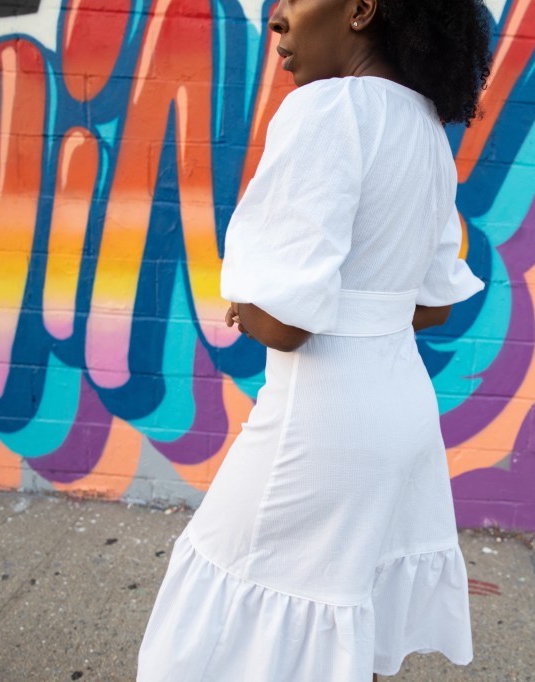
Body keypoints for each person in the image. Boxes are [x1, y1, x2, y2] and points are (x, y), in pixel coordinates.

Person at [137, 0, 492, 679]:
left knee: (215, 626)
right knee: (336, 617)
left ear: (360, 10)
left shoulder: (327, 110)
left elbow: (285, 325)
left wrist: (245, 303)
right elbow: (433, 307)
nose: (278, 18)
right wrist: (360, 306)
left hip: (321, 424)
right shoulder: (425, 126)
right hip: (400, 415)